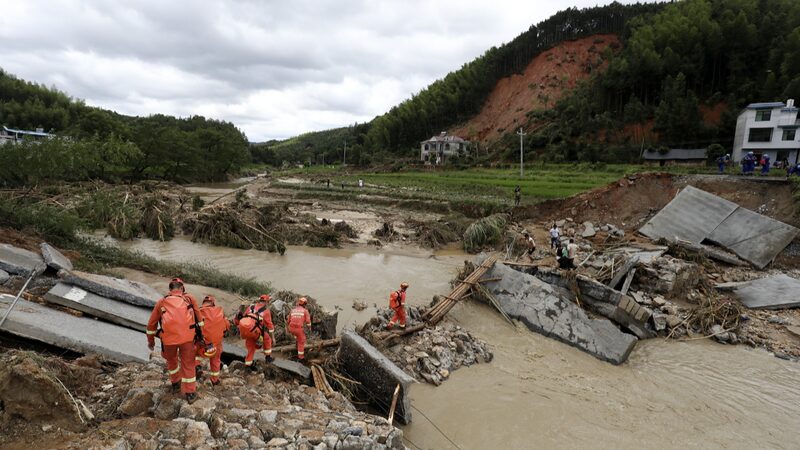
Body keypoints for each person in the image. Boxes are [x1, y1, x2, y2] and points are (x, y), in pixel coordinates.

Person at [146, 277, 204, 404]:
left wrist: (151, 342)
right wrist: (202, 337)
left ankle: (176, 383)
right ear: (182, 288)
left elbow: (151, 325)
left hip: (168, 340)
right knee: (188, 363)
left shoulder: (161, 302)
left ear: (170, 289)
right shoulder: (189, 299)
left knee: (172, 361)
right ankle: (190, 393)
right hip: (187, 338)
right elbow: (199, 320)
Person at [195, 295, 229, 386]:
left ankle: (197, 366)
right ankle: (215, 380)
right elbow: (227, 326)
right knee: (216, 359)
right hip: (216, 344)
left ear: (204, 303)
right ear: (213, 303)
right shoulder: (220, 312)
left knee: (194, 352)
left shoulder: (198, 311)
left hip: (203, 344)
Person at [234, 294, 275, 370]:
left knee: (251, 348)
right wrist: (273, 337)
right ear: (266, 302)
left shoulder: (251, 307)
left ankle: (248, 365)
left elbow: (244, 317)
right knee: (267, 339)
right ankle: (268, 358)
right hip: (256, 331)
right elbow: (270, 325)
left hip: (247, 330)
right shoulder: (266, 311)